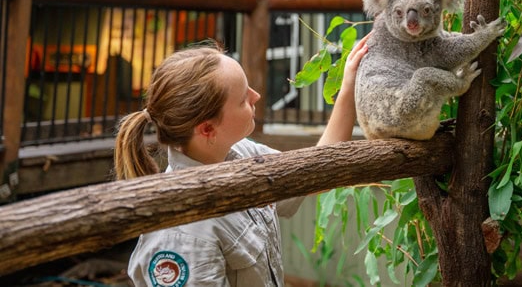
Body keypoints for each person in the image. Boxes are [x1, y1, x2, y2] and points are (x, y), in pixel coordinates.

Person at [114, 36, 369, 287]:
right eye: (243, 99)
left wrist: (348, 85)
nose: (256, 96)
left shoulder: (241, 153)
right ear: (207, 129)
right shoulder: (182, 236)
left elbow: (315, 174)